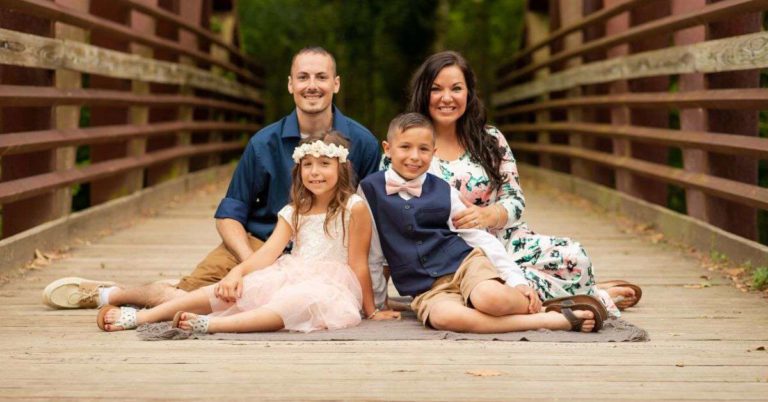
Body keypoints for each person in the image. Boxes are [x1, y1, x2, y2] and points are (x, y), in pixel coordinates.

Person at [42, 46, 388, 311]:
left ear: (336, 83)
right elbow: (230, 214)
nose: (312, 86)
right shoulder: (263, 143)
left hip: (323, 258)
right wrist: (249, 263)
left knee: (252, 307)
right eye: (303, 77)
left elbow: (373, 218)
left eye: (321, 77)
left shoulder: (363, 143)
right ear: (290, 84)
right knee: (183, 296)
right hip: (257, 243)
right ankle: (109, 294)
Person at [386, 50, 640, 316]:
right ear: (423, 92)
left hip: (505, 240)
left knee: (574, 257)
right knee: (483, 287)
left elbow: (515, 199)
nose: (446, 98)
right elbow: (390, 212)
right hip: (450, 253)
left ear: (469, 93)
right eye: (436, 89)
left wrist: (488, 214)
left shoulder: (490, 139)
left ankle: (566, 294)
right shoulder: (407, 145)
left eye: (456, 88)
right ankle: (588, 295)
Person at [97, 132, 400, 333]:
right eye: (307, 164)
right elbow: (269, 253)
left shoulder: (353, 207)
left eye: (324, 164)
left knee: (293, 303)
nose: (315, 172)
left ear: (341, 169)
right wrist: (236, 273)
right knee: (234, 290)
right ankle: (139, 317)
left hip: (331, 284)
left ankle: (211, 326)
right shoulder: (294, 210)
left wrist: (371, 310)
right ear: (299, 170)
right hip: (292, 270)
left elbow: (358, 263)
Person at [359, 113, 606, 333]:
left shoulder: (443, 189)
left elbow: (476, 236)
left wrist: (517, 281)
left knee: (492, 300)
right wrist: (376, 305)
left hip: (464, 265)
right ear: (388, 149)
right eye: (405, 147)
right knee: (445, 318)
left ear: (433, 153)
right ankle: (551, 319)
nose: (414, 156)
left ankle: (531, 301)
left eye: (423, 149)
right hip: (426, 288)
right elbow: (374, 252)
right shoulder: (370, 189)